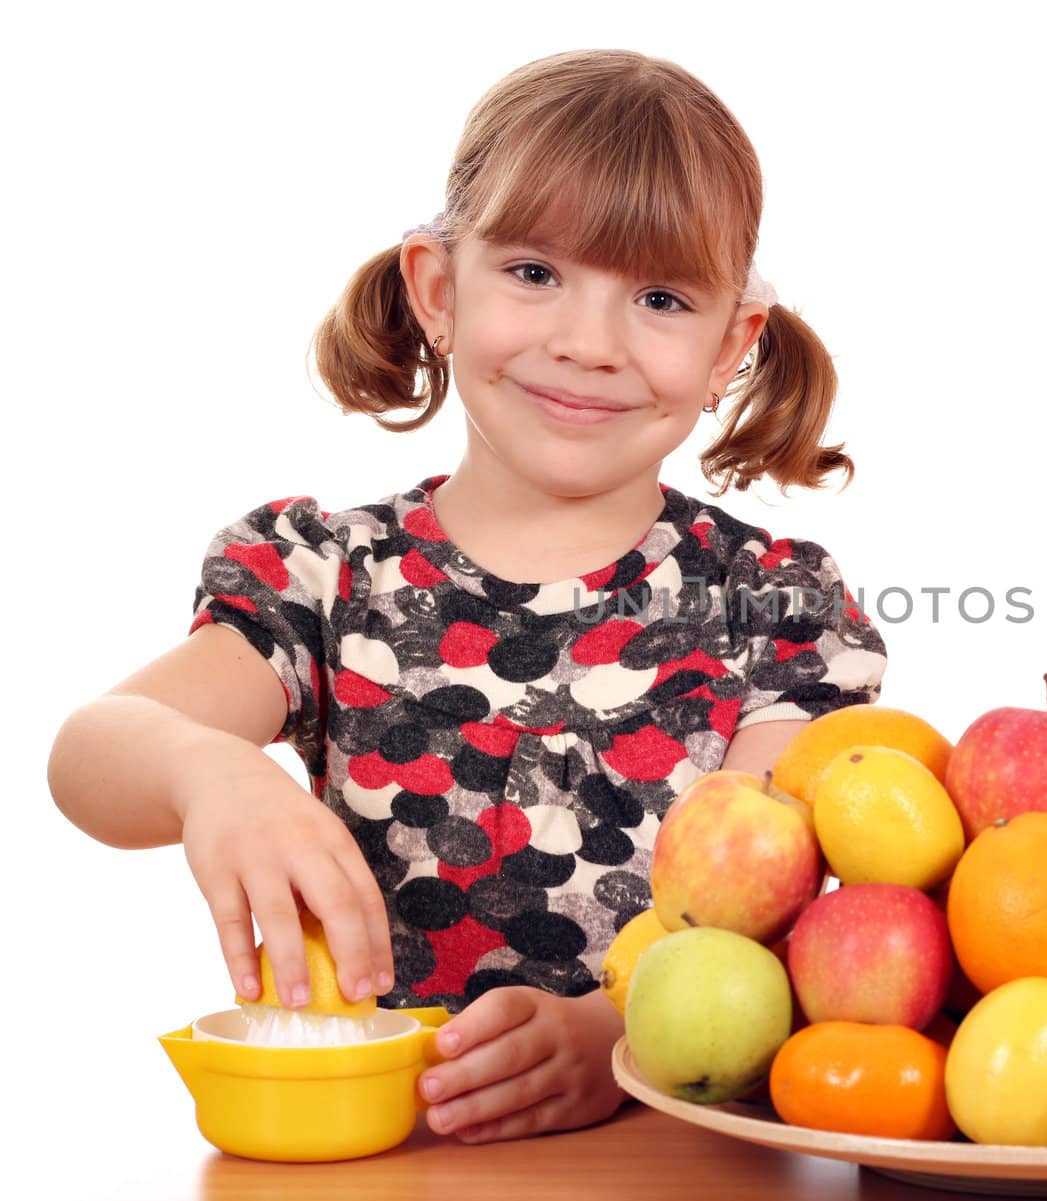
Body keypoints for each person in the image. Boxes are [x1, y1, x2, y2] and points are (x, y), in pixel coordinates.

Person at [48, 49, 886, 1143]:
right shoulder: (324, 574)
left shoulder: (774, 607)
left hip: (669, 1157)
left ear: (731, 344)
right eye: (534, 273)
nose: (587, 344)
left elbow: (774, 923)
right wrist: (203, 768)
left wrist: (618, 1035)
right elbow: (91, 754)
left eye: (660, 297)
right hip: (383, 1159)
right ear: (439, 290)